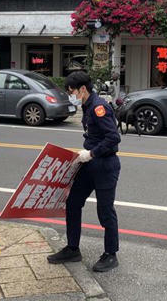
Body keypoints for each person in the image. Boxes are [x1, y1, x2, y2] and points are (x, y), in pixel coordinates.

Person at [47, 71, 121, 272]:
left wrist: (92, 153)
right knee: (73, 202)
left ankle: (111, 254)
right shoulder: (88, 106)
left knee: (105, 211)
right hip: (89, 165)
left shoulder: (98, 107)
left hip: (105, 165)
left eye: (72, 92)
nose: (71, 96)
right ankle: (72, 248)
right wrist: (85, 155)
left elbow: (113, 138)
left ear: (82, 89)